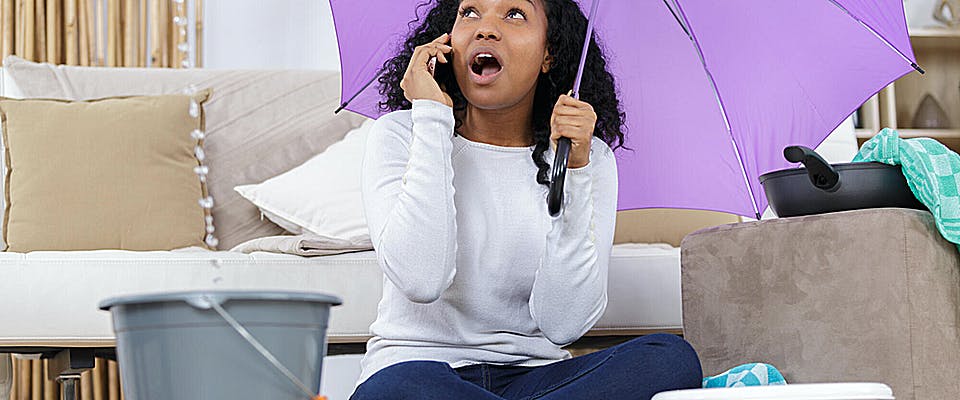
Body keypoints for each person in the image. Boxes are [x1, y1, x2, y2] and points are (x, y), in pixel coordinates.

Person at [352, 0, 701, 398]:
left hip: (535, 380)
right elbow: (421, 278)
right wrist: (431, 117)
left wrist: (577, 172)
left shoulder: (586, 156)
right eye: (470, 12)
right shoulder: (401, 134)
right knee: (399, 386)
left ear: (549, 54)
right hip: (422, 373)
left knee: (668, 357)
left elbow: (563, 324)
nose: (485, 28)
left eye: (514, 14)